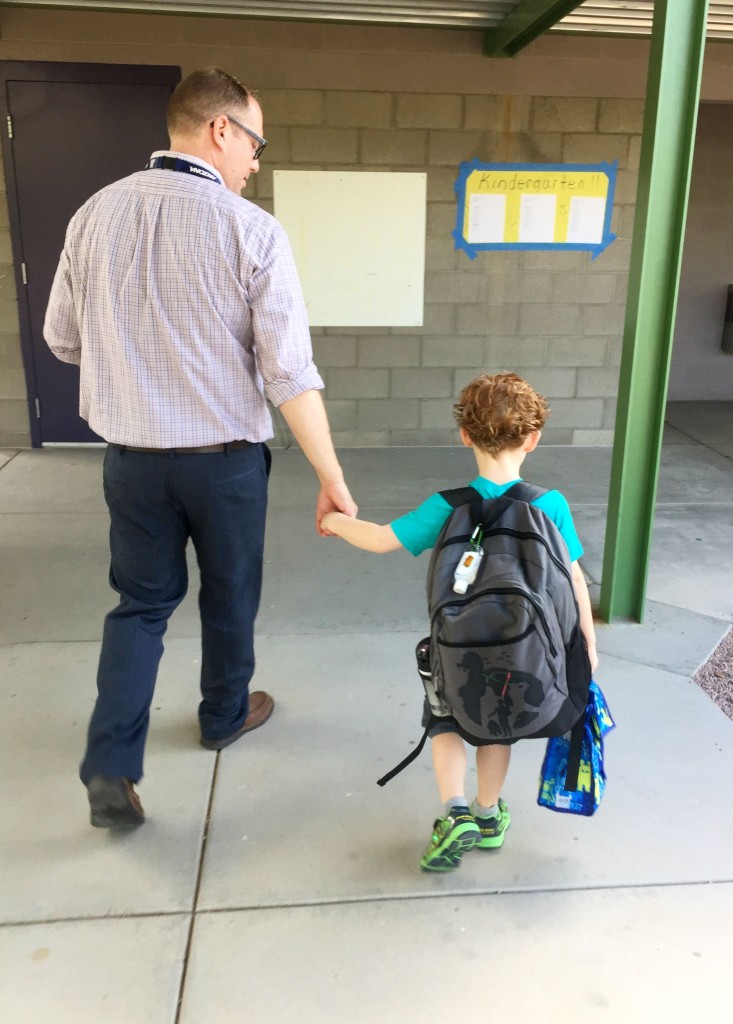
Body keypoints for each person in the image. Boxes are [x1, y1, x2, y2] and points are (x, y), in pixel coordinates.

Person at [43, 67, 356, 830]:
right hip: (225, 466)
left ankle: (111, 764)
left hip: (132, 462)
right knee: (229, 594)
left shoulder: (92, 215)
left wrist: (137, 364)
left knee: (140, 607)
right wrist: (331, 476)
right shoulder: (251, 230)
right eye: (255, 143)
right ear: (221, 130)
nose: (256, 161)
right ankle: (222, 715)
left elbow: (61, 337)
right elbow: (288, 373)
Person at [321, 372, 597, 872]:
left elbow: (382, 539)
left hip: (453, 647)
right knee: (497, 729)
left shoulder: (447, 506)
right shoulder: (549, 505)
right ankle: (488, 814)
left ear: (465, 435)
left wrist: (335, 521)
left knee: (445, 720)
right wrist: (587, 648)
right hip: (522, 652)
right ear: (533, 439)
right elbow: (575, 582)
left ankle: (454, 812)